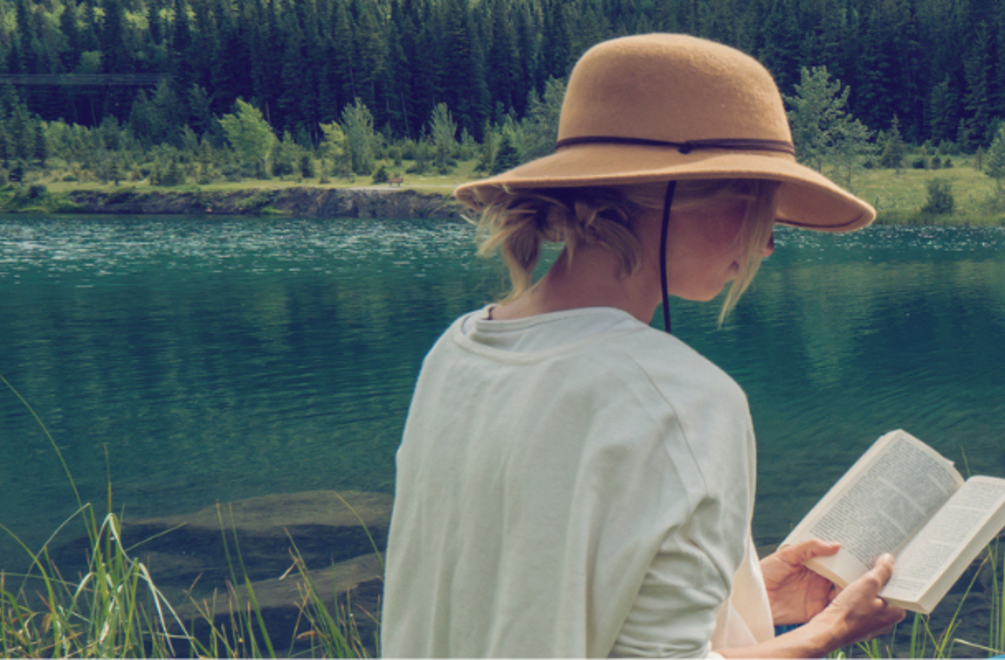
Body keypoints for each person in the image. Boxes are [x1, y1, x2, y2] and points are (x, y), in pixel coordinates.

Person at [380, 33, 906, 658]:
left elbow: (528, 587)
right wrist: (831, 630)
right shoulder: (683, 401)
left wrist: (748, 591)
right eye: (758, 205)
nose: (766, 244)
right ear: (675, 194)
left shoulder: (454, 352)